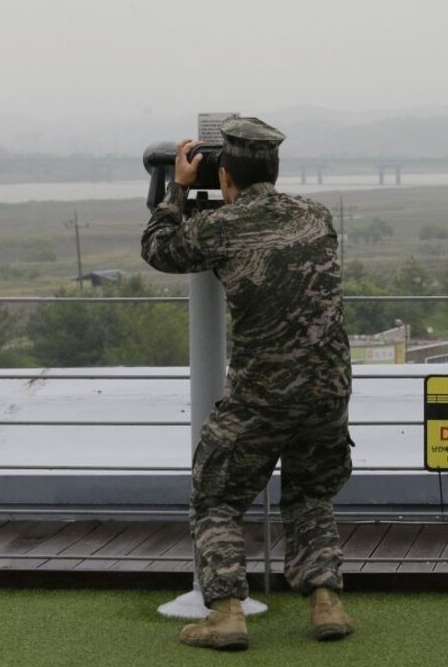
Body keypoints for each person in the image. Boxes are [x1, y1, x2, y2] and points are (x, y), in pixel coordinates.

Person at [141, 117, 356, 650]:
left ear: (227, 176)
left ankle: (227, 612)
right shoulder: (316, 215)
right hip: (329, 389)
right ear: (276, 169)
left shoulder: (222, 227)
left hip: (264, 393)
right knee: (310, 495)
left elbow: (159, 248)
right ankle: (326, 603)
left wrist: (180, 188)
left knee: (215, 495)